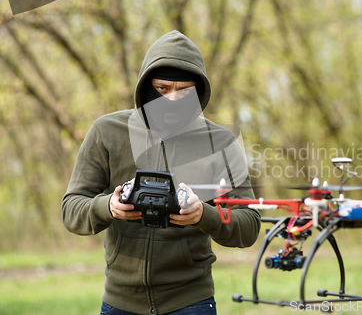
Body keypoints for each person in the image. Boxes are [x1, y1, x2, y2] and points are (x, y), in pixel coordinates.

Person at [62, 30, 261, 315]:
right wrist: (109, 206)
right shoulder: (106, 132)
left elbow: (250, 224)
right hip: (120, 301)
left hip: (191, 301)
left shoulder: (221, 142)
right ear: (146, 86)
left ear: (199, 89)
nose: (172, 99)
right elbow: (71, 209)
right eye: (163, 88)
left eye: (185, 90)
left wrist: (204, 215)